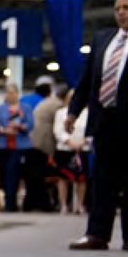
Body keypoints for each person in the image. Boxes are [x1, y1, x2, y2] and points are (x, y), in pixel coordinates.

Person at [66, 0, 128, 253]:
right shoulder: (103, 39)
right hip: (105, 121)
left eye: (127, 7)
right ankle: (97, 233)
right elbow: (86, 81)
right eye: (117, 8)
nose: (121, 12)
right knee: (102, 180)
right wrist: (73, 112)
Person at [0, 84, 33, 213]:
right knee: (5, 175)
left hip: (21, 146)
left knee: (19, 176)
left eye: (13, 93)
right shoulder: (0, 109)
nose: (11, 95)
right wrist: (4, 130)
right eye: (9, 93)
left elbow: (30, 124)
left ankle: (21, 203)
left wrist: (20, 126)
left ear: (18, 93)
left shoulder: (26, 108)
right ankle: (9, 203)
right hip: (4, 146)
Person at [53, 85, 89, 215]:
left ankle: (80, 205)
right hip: (65, 149)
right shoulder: (60, 113)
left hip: (82, 149)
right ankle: (63, 205)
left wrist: (83, 142)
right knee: (63, 177)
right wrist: (70, 142)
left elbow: (90, 131)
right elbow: (58, 131)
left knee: (82, 179)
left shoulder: (87, 113)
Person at [26, 81, 60, 212]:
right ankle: (43, 203)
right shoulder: (55, 104)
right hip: (43, 144)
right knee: (41, 176)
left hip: (31, 141)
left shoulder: (29, 100)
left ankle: (30, 203)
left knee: (32, 176)